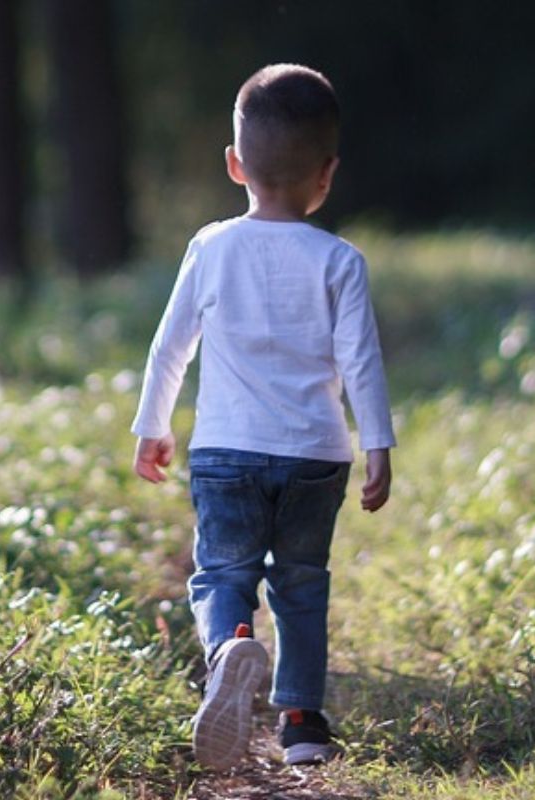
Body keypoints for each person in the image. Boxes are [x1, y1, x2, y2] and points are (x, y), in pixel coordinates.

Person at [131, 63, 395, 770]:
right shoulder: (340, 260)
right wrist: (379, 444)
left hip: (226, 451)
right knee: (303, 581)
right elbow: (362, 360)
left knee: (222, 574)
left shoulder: (211, 247)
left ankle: (228, 648)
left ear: (234, 164)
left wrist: (152, 425)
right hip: (315, 453)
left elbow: (170, 347)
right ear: (327, 174)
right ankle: (304, 724)